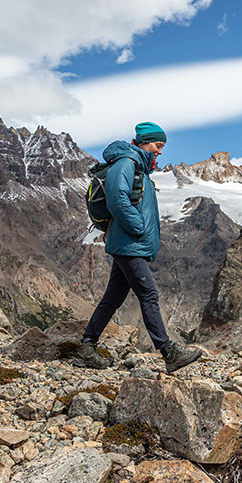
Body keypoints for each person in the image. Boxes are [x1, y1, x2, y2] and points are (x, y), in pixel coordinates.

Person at [73, 121, 202, 374]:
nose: (160, 151)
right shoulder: (126, 164)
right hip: (128, 244)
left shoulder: (138, 169)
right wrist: (138, 227)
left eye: (162, 146)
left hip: (129, 244)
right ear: (144, 143)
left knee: (113, 298)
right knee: (149, 295)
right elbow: (116, 199)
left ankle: (86, 346)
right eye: (158, 145)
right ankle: (168, 351)